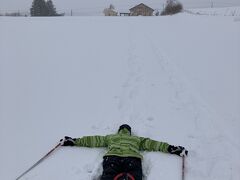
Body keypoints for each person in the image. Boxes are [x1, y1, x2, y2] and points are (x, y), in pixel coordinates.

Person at [60, 124, 188, 180]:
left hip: (112, 158)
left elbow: (93, 140)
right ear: (129, 132)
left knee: (109, 176)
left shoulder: (110, 137)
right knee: (135, 176)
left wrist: (74, 141)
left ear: (119, 131)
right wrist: (170, 148)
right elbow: (153, 144)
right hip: (132, 159)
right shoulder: (136, 139)